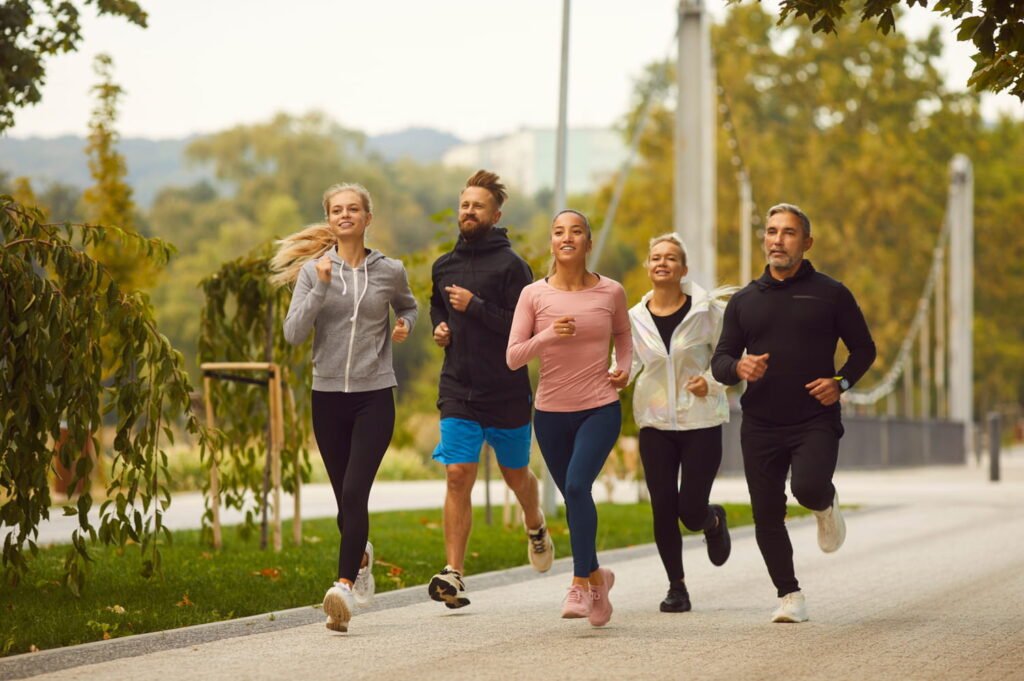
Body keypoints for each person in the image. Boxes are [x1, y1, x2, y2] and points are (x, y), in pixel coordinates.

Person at [711, 203, 876, 623]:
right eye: (771, 232)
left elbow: (864, 349)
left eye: (787, 233)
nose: (777, 240)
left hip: (814, 419)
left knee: (807, 487)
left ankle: (824, 503)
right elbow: (722, 358)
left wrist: (840, 383)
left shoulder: (831, 293)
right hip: (761, 423)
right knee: (766, 513)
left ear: (806, 242)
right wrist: (738, 368)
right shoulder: (745, 301)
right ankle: (789, 595)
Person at [276, 183, 418, 633]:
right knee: (344, 501)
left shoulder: (389, 270)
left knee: (356, 492)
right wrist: (319, 286)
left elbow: (410, 306)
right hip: (328, 398)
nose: (345, 215)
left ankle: (343, 587)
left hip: (375, 396)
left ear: (367, 218)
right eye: (337, 210)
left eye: (353, 209)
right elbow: (294, 334)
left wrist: (404, 324)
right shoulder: (311, 273)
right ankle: (361, 555)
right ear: (330, 218)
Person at [428, 170, 554, 610]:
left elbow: (524, 329)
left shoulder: (513, 267)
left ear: (495, 214)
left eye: (477, 206)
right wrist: (440, 327)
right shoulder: (443, 266)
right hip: (458, 387)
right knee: (457, 474)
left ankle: (535, 523)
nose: (468, 211)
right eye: (464, 204)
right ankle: (454, 574)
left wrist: (475, 306)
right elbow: (437, 309)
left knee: (515, 475)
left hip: (505, 389)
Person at [507, 209, 632, 627]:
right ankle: (601, 578)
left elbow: (623, 335)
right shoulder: (533, 295)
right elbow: (512, 357)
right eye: (559, 231)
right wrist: (546, 335)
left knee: (577, 485)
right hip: (550, 414)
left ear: (588, 243)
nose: (567, 237)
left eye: (576, 231)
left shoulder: (611, 291)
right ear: (552, 243)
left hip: (599, 406)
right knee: (576, 497)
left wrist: (624, 367)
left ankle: (579, 582)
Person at [627, 233, 736, 613]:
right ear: (648, 266)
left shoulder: (707, 311)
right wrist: (614, 375)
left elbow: (729, 357)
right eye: (655, 257)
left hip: (700, 421)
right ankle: (677, 587)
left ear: (683, 269)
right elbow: (627, 362)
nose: (662, 263)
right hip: (654, 423)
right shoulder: (634, 317)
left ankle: (711, 522)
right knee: (662, 506)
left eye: (670, 258)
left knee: (689, 510)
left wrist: (711, 382)